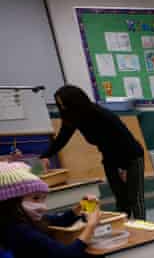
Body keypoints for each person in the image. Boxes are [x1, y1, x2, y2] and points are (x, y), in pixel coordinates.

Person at [40, 85, 146, 220]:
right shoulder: (73, 117)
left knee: (135, 199)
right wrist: (45, 156)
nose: (62, 108)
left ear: (74, 102)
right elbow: (62, 138)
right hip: (110, 159)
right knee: (121, 199)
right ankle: (123, 227)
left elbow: (124, 140)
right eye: (60, 105)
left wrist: (123, 167)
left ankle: (143, 227)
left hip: (131, 156)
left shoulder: (101, 115)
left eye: (63, 104)